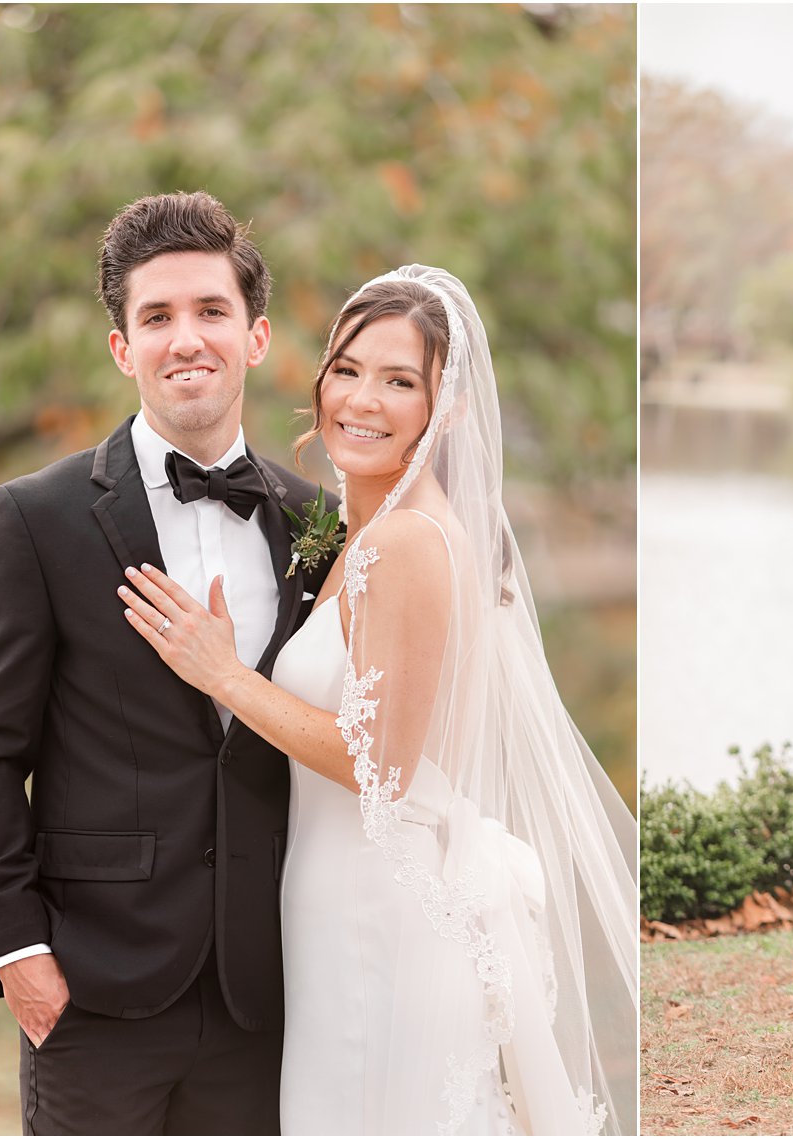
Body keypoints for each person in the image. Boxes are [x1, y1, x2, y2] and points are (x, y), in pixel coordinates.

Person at [122, 266, 638, 1134]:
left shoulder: (404, 539)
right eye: (349, 369)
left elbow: (384, 768)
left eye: (402, 381)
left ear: (451, 407)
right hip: (339, 904)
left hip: (381, 915)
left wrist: (226, 675)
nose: (363, 399)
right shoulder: (370, 526)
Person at [0, 191, 330, 1132]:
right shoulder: (37, 517)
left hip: (271, 990)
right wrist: (16, 949)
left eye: (211, 312)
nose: (185, 338)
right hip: (93, 986)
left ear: (256, 335)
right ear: (124, 348)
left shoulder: (321, 524)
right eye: (156, 317)